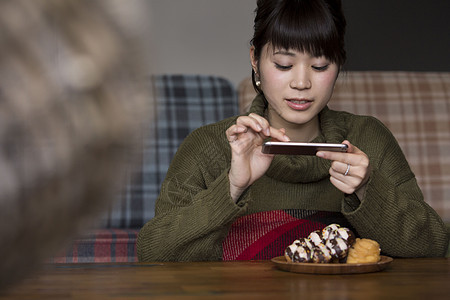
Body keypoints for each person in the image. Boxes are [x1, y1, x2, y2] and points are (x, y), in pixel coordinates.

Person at [137, 0, 449, 261]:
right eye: (284, 64)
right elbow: (153, 252)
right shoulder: (209, 146)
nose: (301, 83)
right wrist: (232, 186)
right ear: (255, 60)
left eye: (320, 66)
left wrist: (368, 189)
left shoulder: (368, 138)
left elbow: (435, 247)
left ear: (338, 65)